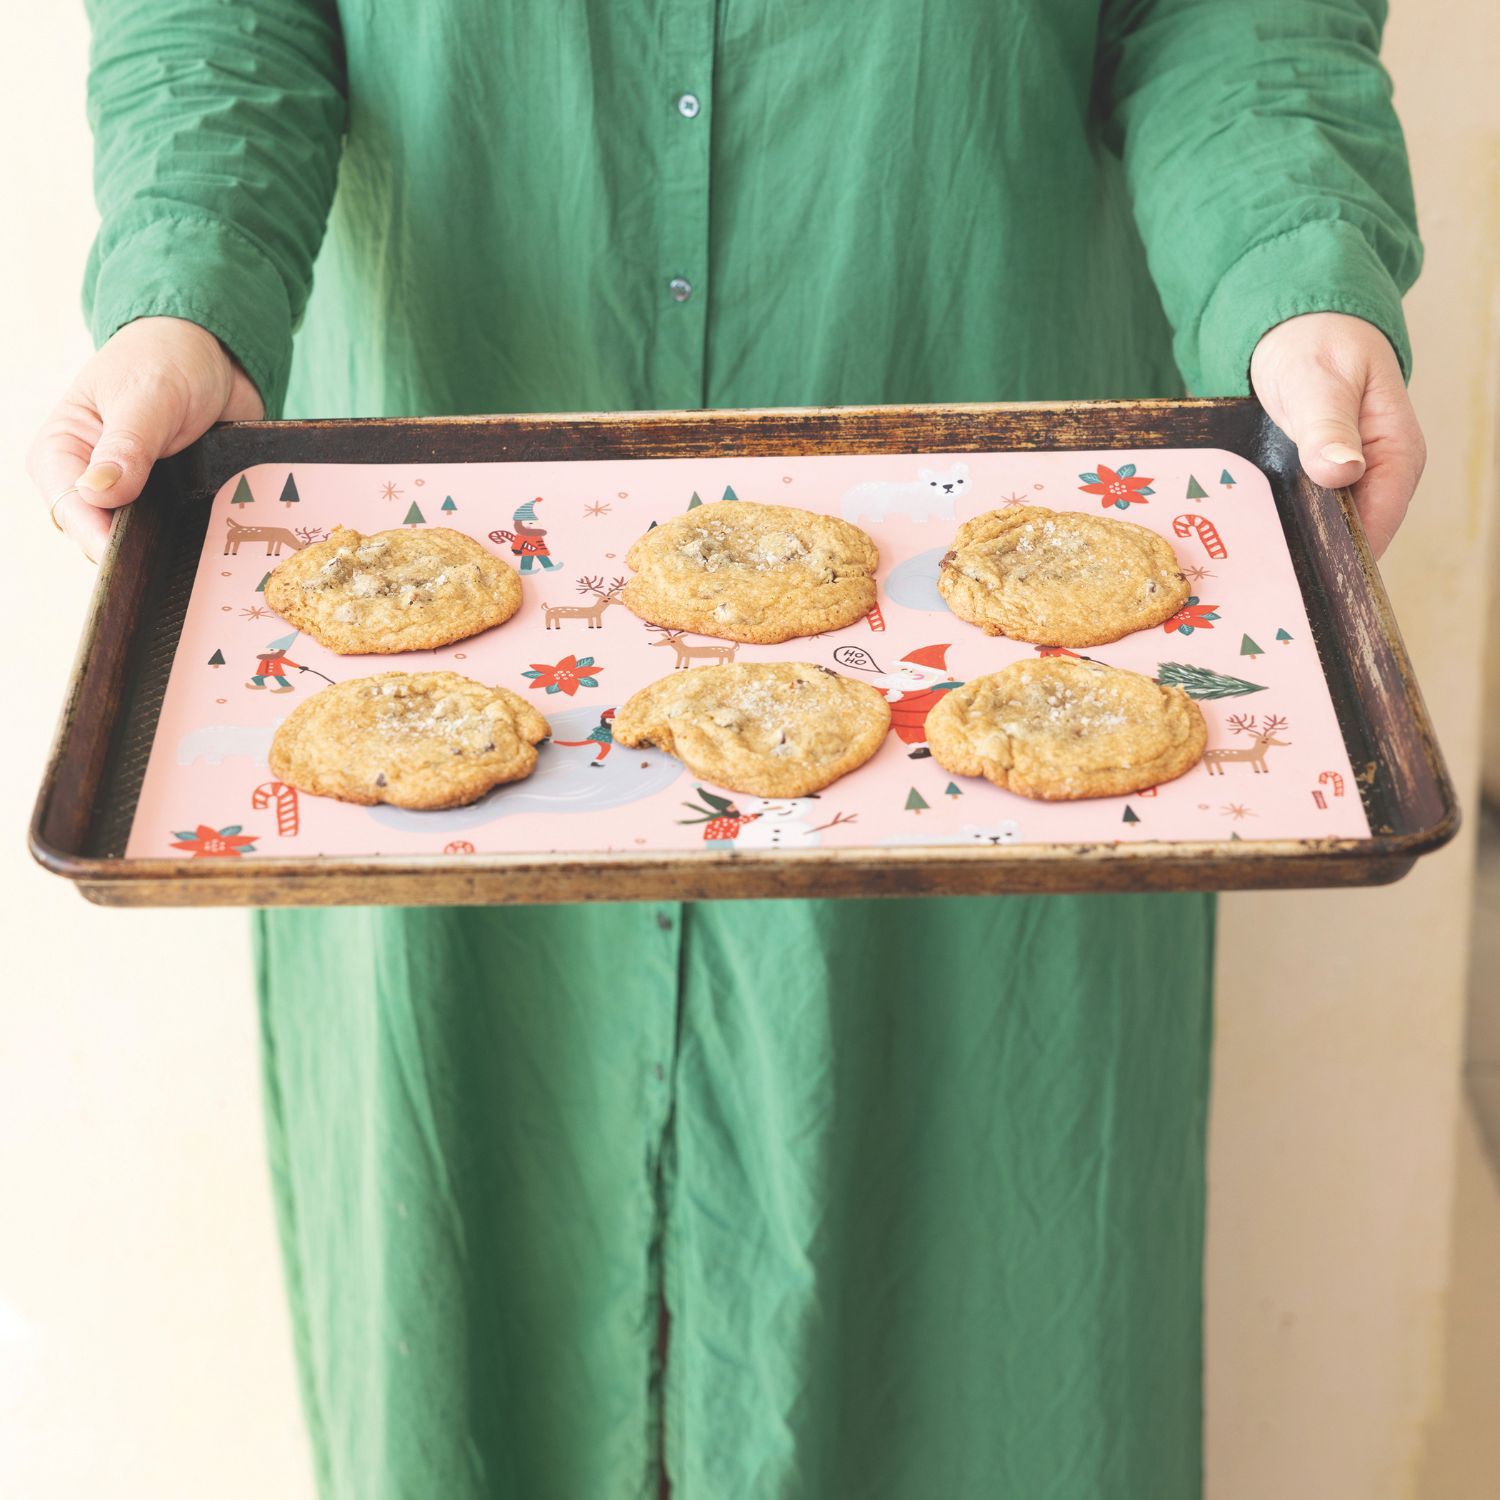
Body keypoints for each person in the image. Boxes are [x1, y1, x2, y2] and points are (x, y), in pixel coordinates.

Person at [30, 4, 1425, 1497]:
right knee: (481, 1310)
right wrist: (185, 294)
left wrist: (1289, 275)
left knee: (973, 1330)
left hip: (984, 583)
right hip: (428, 600)